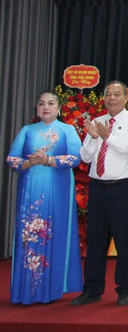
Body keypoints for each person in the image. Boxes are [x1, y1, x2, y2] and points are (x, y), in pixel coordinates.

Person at [73, 81, 128, 307]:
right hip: (98, 188)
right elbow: (85, 157)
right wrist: (95, 137)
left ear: (126, 98)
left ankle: (124, 289)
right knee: (95, 240)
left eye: (117, 94)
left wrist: (108, 137)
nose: (112, 98)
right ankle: (92, 289)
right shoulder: (98, 121)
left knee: (124, 241)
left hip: (121, 188)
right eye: (108, 94)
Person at [6, 91, 83, 304]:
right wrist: (31, 162)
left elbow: (76, 157)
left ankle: (53, 289)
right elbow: (12, 159)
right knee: (30, 235)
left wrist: (48, 159)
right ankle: (28, 290)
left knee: (54, 232)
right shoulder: (27, 130)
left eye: (50, 103)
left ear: (59, 108)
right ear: (36, 109)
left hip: (58, 190)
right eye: (41, 103)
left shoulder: (67, 130)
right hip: (30, 192)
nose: (45, 107)